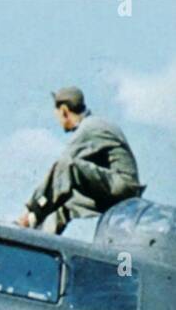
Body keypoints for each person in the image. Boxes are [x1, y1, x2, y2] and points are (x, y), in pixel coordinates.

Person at [19, 87, 144, 235]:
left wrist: (32, 209)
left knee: (66, 165)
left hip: (122, 187)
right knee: (64, 204)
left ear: (64, 111)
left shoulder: (89, 127)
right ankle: (39, 240)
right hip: (117, 189)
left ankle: (28, 219)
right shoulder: (93, 125)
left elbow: (61, 169)